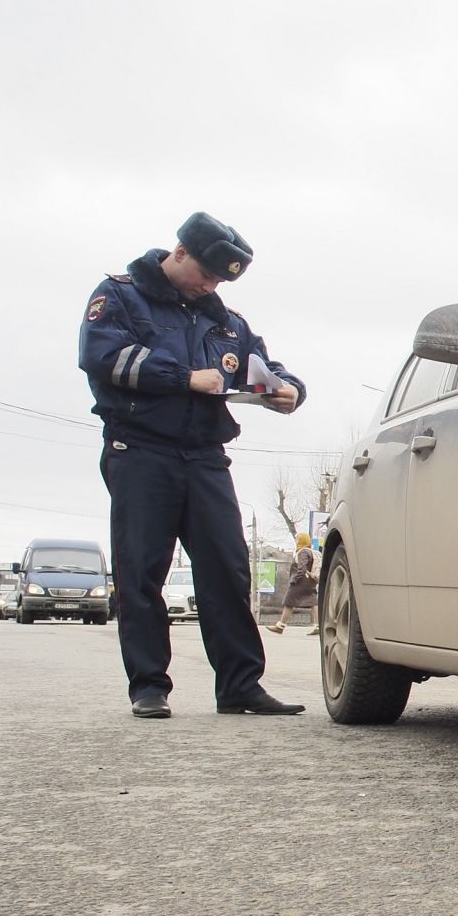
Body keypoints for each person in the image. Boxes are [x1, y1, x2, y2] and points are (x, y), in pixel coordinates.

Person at [77, 212, 308, 718]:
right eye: (206, 273)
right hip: (139, 448)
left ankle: (240, 686)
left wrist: (288, 390)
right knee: (143, 570)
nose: (210, 285)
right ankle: (149, 686)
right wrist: (185, 377)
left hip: (205, 455)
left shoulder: (225, 321)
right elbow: (103, 357)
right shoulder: (119, 295)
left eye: (220, 279)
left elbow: (262, 364)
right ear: (179, 253)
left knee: (227, 569)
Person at [268, 532, 319, 634]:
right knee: (312, 602)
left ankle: (280, 626)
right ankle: (318, 626)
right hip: (311, 581)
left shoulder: (303, 552)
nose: (296, 541)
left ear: (301, 540)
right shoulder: (312, 552)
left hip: (301, 582)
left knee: (289, 602)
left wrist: (295, 579)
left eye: (297, 539)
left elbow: (302, 567)